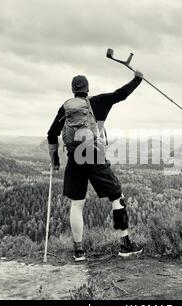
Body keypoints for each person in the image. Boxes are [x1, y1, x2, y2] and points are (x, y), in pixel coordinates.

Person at [47, 71, 144, 262]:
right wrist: (137, 79)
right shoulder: (99, 102)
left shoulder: (66, 109)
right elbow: (121, 94)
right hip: (94, 155)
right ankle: (125, 245)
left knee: (77, 204)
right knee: (117, 196)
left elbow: (51, 135)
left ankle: (79, 252)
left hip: (75, 157)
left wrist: (56, 161)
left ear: (73, 90)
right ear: (87, 88)